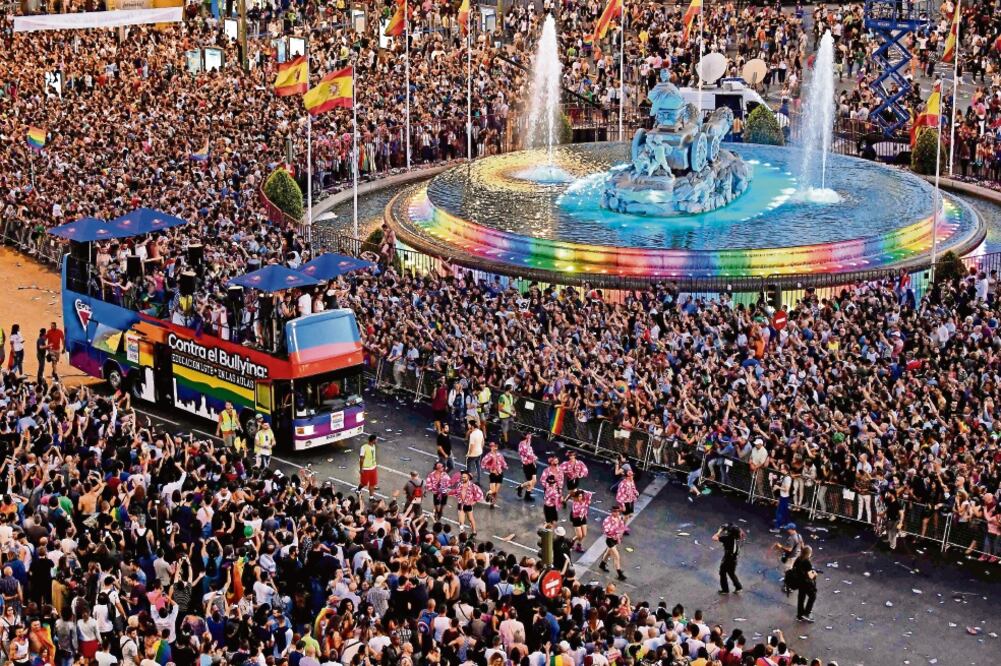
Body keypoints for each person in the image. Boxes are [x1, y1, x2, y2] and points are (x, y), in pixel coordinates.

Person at [450, 470, 484, 538]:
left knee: (471, 519)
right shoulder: (459, 484)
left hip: (468, 505)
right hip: (461, 504)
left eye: (465, 477)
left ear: (468, 477)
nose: (463, 478)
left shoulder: (472, 486)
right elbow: (457, 492)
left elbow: (479, 494)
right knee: (461, 522)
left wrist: (474, 502)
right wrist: (449, 493)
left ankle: (474, 531)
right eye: (462, 477)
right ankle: (462, 534)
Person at [598, 505, 628, 581]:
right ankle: (619, 573)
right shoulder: (607, 520)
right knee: (616, 556)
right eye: (615, 511)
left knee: (608, 553)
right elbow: (606, 530)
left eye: (618, 511)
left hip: (615, 539)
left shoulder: (619, 518)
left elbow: (622, 526)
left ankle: (602, 564)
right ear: (612, 512)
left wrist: (620, 533)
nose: (617, 513)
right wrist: (615, 530)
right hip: (610, 540)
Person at [713, 523, 744, 594]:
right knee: (731, 573)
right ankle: (738, 587)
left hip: (728, 558)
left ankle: (725, 590)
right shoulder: (736, 538)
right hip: (734, 558)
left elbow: (714, 538)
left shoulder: (727, 538)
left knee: (722, 572)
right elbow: (739, 531)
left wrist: (719, 531)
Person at [790, 546, 818, 622]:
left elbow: (794, 568)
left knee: (801, 598)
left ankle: (800, 615)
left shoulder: (798, 559)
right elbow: (810, 576)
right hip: (806, 583)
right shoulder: (807, 562)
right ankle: (807, 613)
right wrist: (815, 574)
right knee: (812, 596)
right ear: (809, 553)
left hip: (799, 582)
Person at [773, 523, 803, 593]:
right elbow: (802, 544)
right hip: (796, 555)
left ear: (792, 529)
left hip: (791, 557)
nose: (787, 530)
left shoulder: (792, 538)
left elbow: (789, 549)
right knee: (792, 570)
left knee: (788, 571)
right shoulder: (799, 536)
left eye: (788, 529)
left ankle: (788, 587)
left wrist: (780, 546)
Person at [481, 441, 508, 508]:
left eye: (495, 446)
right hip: (493, 474)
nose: (494, 448)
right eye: (492, 446)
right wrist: (490, 468)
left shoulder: (499, 455)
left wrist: (505, 466)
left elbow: (503, 462)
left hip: (500, 474)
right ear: (491, 447)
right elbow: (483, 463)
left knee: (496, 492)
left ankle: (492, 503)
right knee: (492, 490)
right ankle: (488, 494)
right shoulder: (489, 455)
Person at [515, 434, 538, 502]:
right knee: (532, 481)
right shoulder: (523, 445)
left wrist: (534, 461)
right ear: (526, 437)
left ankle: (527, 494)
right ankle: (521, 487)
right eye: (528, 436)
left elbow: (529, 447)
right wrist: (535, 458)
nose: (530, 437)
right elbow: (528, 454)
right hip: (527, 465)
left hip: (531, 463)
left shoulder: (526, 442)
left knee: (533, 481)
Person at [466, 420, 484, 484]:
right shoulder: (480, 432)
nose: (468, 425)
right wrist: (480, 449)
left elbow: (471, 446)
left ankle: (468, 480)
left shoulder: (473, 435)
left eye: (469, 424)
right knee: (478, 466)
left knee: (469, 467)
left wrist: (469, 454)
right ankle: (478, 480)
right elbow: (482, 442)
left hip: (473, 454)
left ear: (472, 426)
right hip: (479, 452)